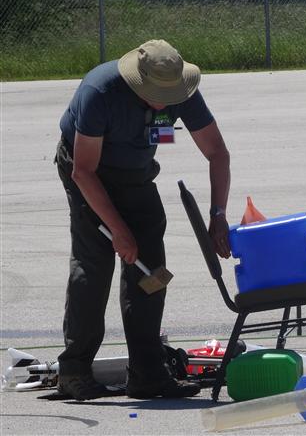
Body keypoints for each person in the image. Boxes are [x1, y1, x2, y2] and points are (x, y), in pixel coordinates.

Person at [54, 39, 231, 401]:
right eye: (156, 94)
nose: (166, 101)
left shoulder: (179, 89)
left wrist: (218, 215)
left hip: (136, 174)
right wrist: (118, 231)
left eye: (170, 95)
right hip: (89, 173)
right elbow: (83, 172)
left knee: (151, 270)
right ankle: (73, 371)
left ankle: (148, 373)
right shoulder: (100, 92)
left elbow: (217, 152)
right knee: (95, 265)